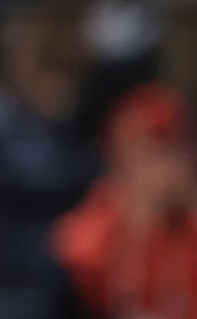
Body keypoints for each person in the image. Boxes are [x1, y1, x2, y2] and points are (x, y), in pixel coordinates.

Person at [48, 81, 197, 318]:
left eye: (171, 150)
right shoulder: (97, 222)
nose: (163, 166)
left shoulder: (187, 222)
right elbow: (75, 258)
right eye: (148, 152)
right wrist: (137, 219)